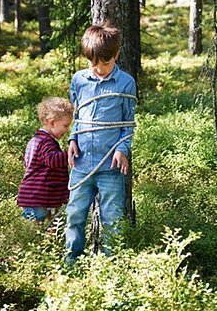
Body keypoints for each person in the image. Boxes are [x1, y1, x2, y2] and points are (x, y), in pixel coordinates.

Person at [65, 24, 137, 260]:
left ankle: (110, 265)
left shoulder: (126, 83)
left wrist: (121, 149)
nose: (99, 69)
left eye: (105, 64)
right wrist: (73, 139)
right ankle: (71, 260)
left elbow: (128, 124)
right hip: (82, 163)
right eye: (93, 63)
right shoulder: (79, 80)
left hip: (110, 167)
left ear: (116, 55)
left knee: (112, 219)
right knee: (75, 214)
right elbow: (76, 114)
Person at [17, 97, 74, 222]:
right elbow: (52, 160)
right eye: (65, 125)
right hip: (37, 196)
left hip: (35, 195)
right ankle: (36, 240)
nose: (67, 130)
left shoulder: (37, 140)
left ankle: (47, 239)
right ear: (52, 122)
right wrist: (70, 154)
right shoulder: (45, 142)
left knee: (47, 223)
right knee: (37, 221)